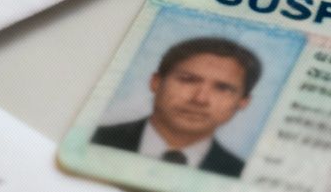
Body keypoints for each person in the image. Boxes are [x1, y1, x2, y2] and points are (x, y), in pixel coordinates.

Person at [91, 36, 261, 177]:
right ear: (156, 82)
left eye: (222, 88)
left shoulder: (240, 174)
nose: (200, 99)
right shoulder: (94, 139)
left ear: (243, 102)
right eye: (188, 80)